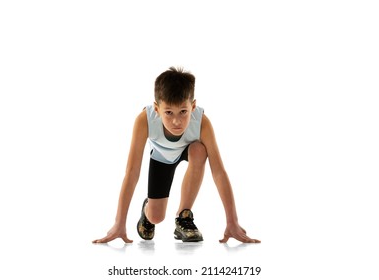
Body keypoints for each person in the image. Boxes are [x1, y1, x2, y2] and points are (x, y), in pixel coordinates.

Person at [92, 67, 260, 244]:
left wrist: (232, 222)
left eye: (183, 112)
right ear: (157, 108)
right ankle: (147, 209)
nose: (176, 121)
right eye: (168, 112)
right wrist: (119, 223)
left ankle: (184, 216)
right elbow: (132, 172)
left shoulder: (202, 122)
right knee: (156, 217)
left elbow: (219, 172)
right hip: (161, 157)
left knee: (199, 150)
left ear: (192, 106)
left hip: (190, 151)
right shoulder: (144, 120)